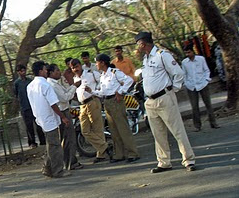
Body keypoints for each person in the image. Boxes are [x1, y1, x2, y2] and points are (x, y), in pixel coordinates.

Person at [135, 31, 196, 173]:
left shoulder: (162, 55)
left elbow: (178, 73)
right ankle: (164, 162)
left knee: (177, 130)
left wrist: (173, 89)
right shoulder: (146, 59)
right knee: (158, 134)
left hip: (164, 97)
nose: (137, 47)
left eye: (137, 44)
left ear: (142, 43)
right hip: (150, 101)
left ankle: (189, 160)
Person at [87, 54, 140, 163]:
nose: (96, 64)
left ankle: (132, 152)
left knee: (123, 128)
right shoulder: (103, 76)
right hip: (107, 102)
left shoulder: (114, 72)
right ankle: (119, 154)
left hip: (116, 101)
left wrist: (120, 92)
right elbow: (103, 92)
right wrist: (92, 92)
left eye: (97, 62)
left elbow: (129, 80)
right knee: (114, 130)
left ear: (102, 62)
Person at [27, 61, 71, 178]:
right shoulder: (45, 85)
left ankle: (47, 168)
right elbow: (53, 104)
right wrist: (63, 117)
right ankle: (57, 170)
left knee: (50, 144)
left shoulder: (30, 86)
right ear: (41, 71)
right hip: (49, 118)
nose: (47, 71)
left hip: (40, 118)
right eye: (45, 69)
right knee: (55, 145)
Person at [70, 58, 109, 163]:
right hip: (82, 105)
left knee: (97, 128)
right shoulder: (75, 79)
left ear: (80, 65)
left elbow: (102, 82)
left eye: (77, 66)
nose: (75, 69)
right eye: (73, 68)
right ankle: (105, 147)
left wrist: (96, 91)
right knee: (85, 131)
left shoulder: (91, 74)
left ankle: (101, 154)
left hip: (92, 101)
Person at [47, 64, 83, 171]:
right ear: (51, 73)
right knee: (69, 138)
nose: (59, 72)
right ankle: (71, 162)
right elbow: (65, 97)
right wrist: (74, 86)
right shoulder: (52, 85)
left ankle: (70, 161)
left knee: (67, 138)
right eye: (57, 70)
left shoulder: (58, 83)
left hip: (64, 110)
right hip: (62, 111)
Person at [181, 45, 219, 131]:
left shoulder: (201, 59)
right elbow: (184, 74)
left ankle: (213, 123)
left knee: (208, 104)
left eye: (189, 52)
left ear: (193, 51)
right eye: (186, 53)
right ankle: (197, 126)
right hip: (191, 86)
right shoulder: (184, 62)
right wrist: (186, 83)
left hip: (202, 84)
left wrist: (206, 79)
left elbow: (206, 70)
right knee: (194, 106)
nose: (188, 54)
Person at [14, 64, 46, 148]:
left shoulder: (30, 81)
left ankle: (42, 141)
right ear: (18, 72)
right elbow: (16, 95)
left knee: (38, 124)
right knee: (29, 126)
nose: (23, 72)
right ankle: (32, 142)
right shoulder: (17, 83)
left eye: (24, 70)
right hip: (24, 107)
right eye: (21, 71)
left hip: (33, 105)